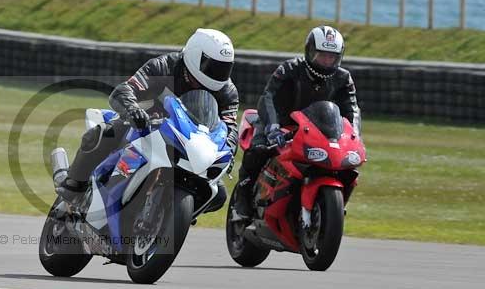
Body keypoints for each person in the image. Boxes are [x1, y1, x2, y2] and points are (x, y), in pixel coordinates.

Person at [57, 28, 240, 211]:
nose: (218, 74)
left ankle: (168, 216)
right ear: (194, 54)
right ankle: (74, 187)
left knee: (218, 195)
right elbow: (124, 90)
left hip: (190, 145)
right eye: (212, 66)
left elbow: (230, 129)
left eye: (224, 69)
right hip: (145, 125)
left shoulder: (227, 92)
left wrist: (229, 151)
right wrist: (133, 110)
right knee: (104, 133)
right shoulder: (165, 66)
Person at [234, 25, 361, 217]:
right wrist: (273, 127)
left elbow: (351, 109)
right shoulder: (289, 69)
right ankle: (242, 198)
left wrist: (354, 135)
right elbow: (269, 96)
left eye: (331, 57)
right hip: (279, 123)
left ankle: (330, 208)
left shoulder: (343, 78)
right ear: (310, 52)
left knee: (344, 165)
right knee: (258, 150)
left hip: (316, 130)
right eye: (321, 55)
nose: (326, 61)